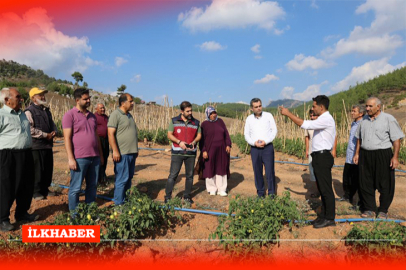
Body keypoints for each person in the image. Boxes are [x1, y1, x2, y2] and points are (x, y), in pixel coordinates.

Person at [280, 95, 336, 229]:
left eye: (314, 106)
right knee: (322, 188)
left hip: (323, 157)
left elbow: (304, 124)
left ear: (321, 107)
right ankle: (324, 215)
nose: (312, 108)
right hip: (318, 156)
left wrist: (288, 114)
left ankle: (330, 218)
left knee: (326, 189)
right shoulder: (323, 119)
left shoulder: (326, 119)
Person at [353, 97, 404, 219]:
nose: (367, 108)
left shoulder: (388, 119)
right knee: (365, 183)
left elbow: (396, 140)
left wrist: (395, 157)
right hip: (366, 155)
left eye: (370, 106)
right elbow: (359, 138)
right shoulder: (363, 120)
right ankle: (369, 209)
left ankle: (383, 210)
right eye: (366, 106)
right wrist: (357, 153)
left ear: (378, 107)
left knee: (385, 183)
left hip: (383, 154)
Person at [0, 88, 39, 232]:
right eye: (18, 97)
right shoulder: (1, 115)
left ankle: (21, 213)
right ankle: (2, 219)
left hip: (26, 153)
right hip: (8, 155)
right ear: (7, 100)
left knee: (26, 185)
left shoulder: (22, 114)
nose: (21, 99)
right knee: (7, 187)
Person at [62, 88, 104, 212]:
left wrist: (100, 155)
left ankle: (89, 211)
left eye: (89, 98)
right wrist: (71, 158)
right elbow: (67, 138)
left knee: (92, 186)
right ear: (77, 100)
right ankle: (74, 214)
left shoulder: (92, 116)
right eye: (85, 99)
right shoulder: (69, 115)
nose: (88, 100)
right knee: (76, 188)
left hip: (94, 157)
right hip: (80, 158)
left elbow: (96, 137)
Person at [164, 101, 201, 204]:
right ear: (182, 111)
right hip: (177, 152)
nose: (190, 113)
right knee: (173, 175)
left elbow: (199, 135)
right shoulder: (174, 121)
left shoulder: (196, 122)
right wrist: (179, 142)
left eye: (191, 110)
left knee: (189, 176)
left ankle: (187, 196)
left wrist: (194, 142)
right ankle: (167, 196)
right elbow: (169, 134)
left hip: (191, 153)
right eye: (187, 111)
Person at [25, 87, 57, 200]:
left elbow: (52, 124)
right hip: (36, 146)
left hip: (47, 145)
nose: (43, 97)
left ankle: (45, 189)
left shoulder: (46, 110)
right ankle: (36, 191)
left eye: (43, 95)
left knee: (47, 168)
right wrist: (45, 135)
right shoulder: (29, 111)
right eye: (40, 95)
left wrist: (54, 131)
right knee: (37, 170)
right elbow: (29, 129)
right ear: (33, 98)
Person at [107, 94, 138, 206]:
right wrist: (115, 151)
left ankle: (125, 201)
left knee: (128, 178)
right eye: (131, 101)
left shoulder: (129, 115)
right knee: (122, 179)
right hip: (122, 153)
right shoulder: (115, 115)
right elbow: (110, 134)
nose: (133, 103)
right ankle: (119, 205)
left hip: (131, 153)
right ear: (123, 103)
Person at [244, 98, 277, 197]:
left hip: (267, 147)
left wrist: (266, 141)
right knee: (257, 171)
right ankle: (260, 193)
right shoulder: (249, 119)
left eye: (260, 106)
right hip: (255, 149)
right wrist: (254, 143)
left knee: (270, 171)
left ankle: (271, 194)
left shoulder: (268, 116)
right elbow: (246, 134)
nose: (259, 108)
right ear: (251, 108)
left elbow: (274, 131)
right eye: (256, 107)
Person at [200, 106, 232, 196]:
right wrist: (204, 150)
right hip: (210, 150)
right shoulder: (204, 124)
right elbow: (202, 140)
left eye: (214, 113)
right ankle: (212, 188)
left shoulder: (220, 121)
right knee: (210, 167)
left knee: (221, 167)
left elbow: (226, 134)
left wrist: (228, 144)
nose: (213, 115)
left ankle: (221, 189)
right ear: (207, 114)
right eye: (211, 113)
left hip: (221, 149)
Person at [338, 105, 365, 210]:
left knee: (357, 180)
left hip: (356, 156)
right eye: (352, 111)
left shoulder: (362, 124)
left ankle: (359, 203)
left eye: (354, 111)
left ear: (361, 113)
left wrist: (357, 154)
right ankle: (347, 197)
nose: (352, 113)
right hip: (350, 156)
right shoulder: (353, 123)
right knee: (347, 178)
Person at [305, 110, 319, 198]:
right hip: (311, 151)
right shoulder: (308, 125)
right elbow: (307, 138)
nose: (312, 117)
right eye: (311, 116)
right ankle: (318, 190)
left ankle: (323, 191)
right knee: (313, 172)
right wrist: (307, 150)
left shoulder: (321, 124)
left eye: (314, 115)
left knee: (321, 173)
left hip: (320, 152)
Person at [95, 103, 109, 184]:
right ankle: (98, 177)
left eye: (103, 108)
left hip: (105, 139)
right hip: (98, 140)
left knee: (105, 156)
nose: (103, 109)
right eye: (101, 108)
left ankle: (103, 175)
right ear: (96, 109)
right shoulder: (94, 117)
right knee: (99, 158)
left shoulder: (106, 117)